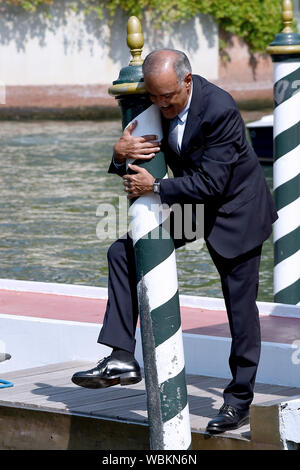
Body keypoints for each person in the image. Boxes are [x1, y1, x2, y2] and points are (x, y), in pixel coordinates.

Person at [72, 49, 278, 434]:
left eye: (168, 96)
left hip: (237, 212)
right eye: (154, 96)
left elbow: (213, 184)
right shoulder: (157, 106)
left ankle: (238, 403)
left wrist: (157, 186)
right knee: (122, 251)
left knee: (240, 310)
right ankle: (120, 355)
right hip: (190, 202)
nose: (161, 105)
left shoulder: (221, 109)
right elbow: (139, 150)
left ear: (187, 81)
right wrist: (118, 155)